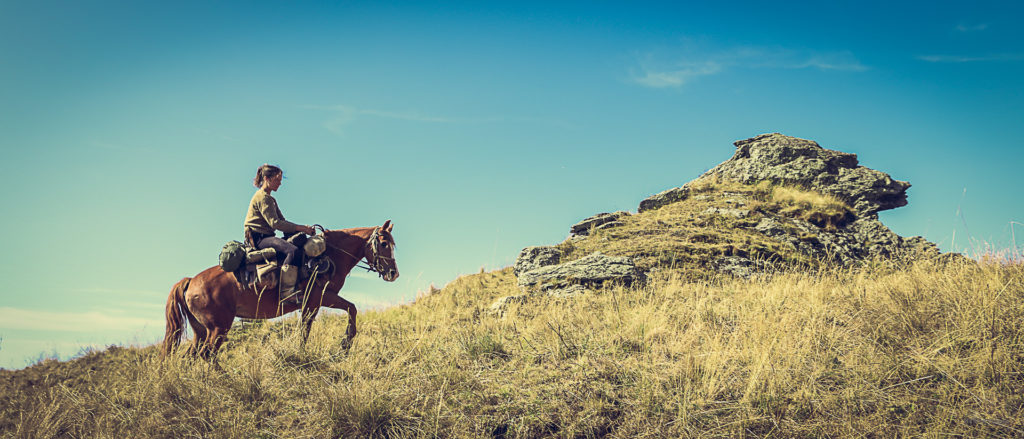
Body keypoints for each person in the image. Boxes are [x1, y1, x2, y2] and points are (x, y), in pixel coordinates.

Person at [243, 164, 315, 305]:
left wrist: (303, 230)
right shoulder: (263, 198)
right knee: (292, 251)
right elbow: (275, 223)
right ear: (266, 178)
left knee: (298, 242)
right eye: (277, 180)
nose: (280, 183)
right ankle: (286, 294)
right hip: (259, 239)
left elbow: (282, 222)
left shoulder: (271, 199)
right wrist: (301, 228)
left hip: (266, 236)